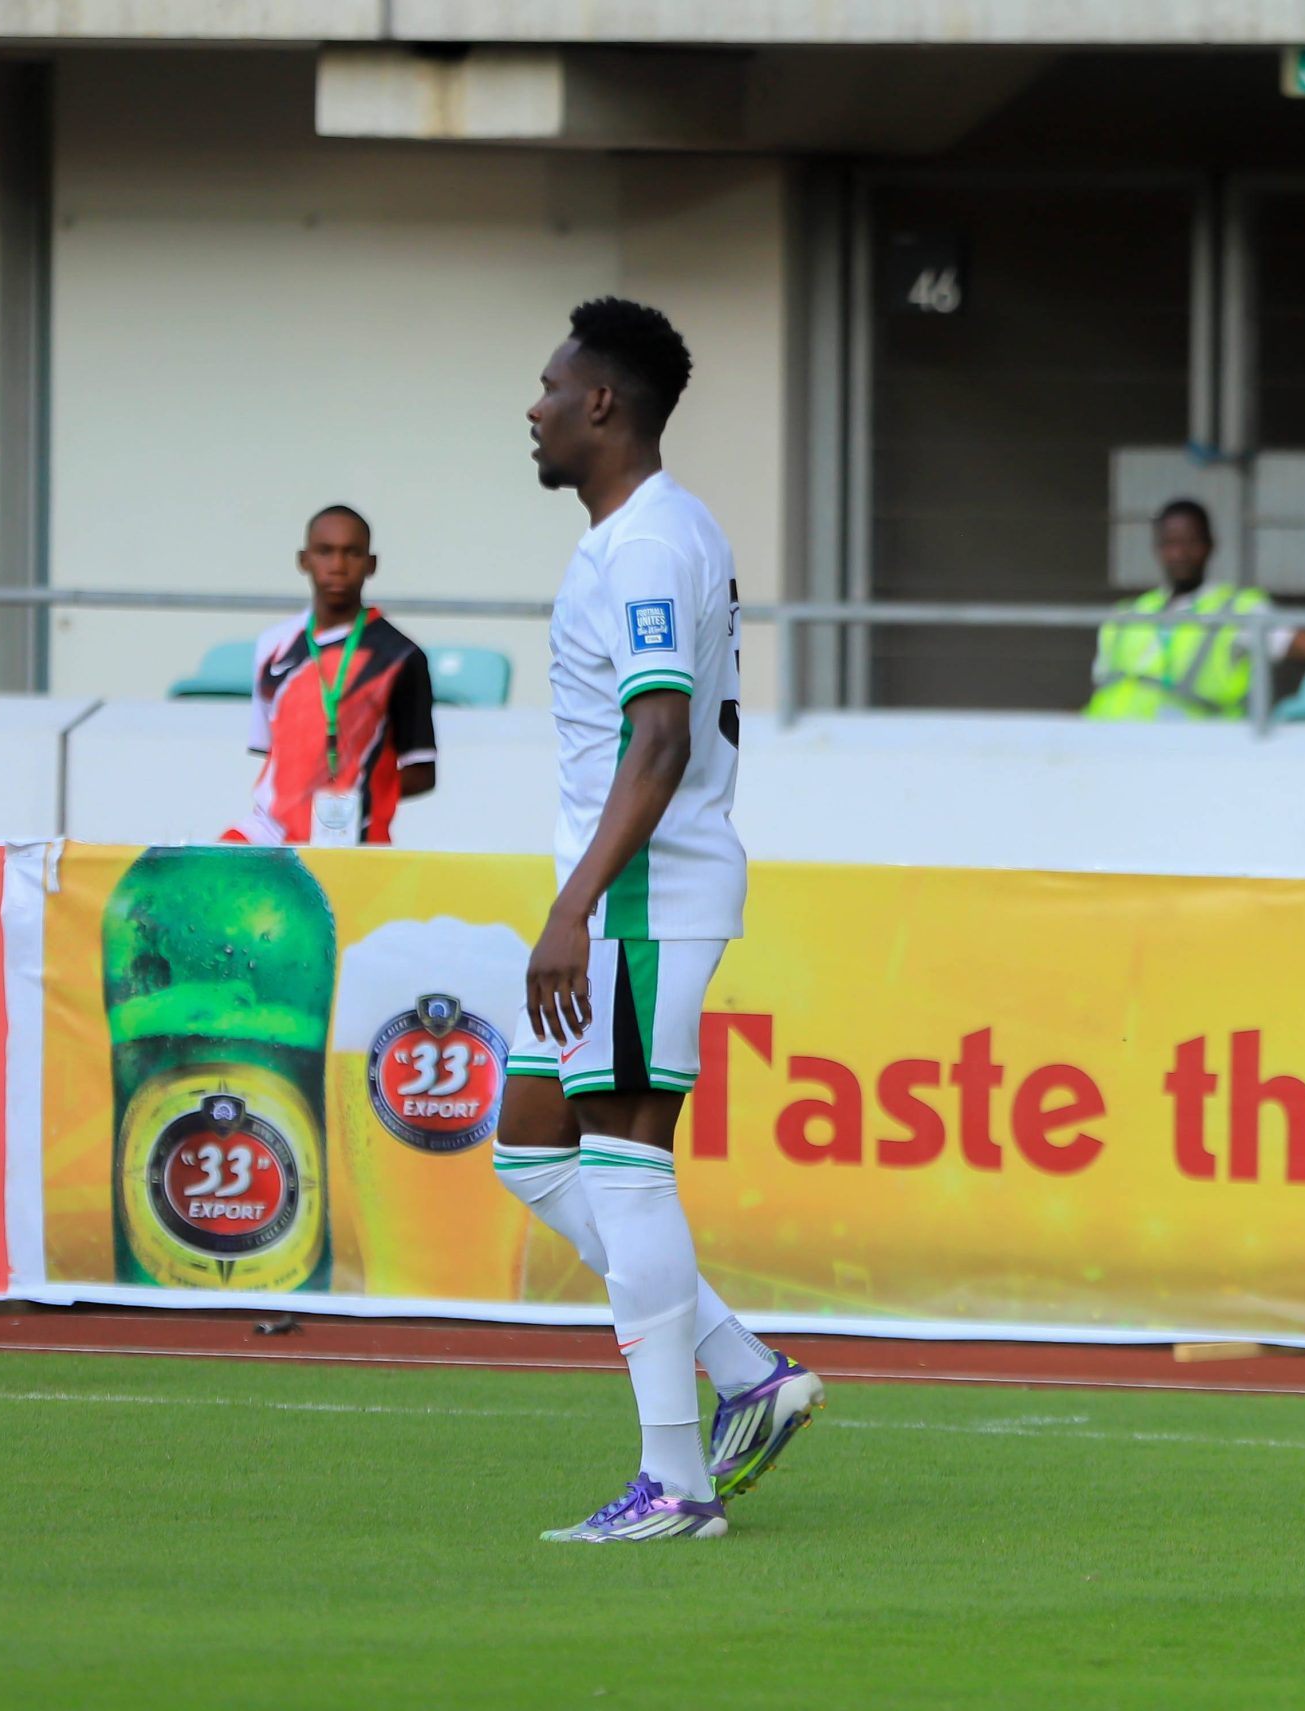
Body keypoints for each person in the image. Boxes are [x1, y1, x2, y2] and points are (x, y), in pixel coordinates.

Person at [492, 296, 821, 1544]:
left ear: (602, 404)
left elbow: (662, 733)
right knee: (531, 1144)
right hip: (617, 891)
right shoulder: (644, 535)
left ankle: (677, 1482)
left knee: (628, 1168)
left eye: (547, 384)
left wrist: (574, 905)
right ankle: (746, 1373)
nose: (531, 406)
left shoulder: (647, 545)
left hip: (636, 896)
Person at [1084, 498, 1305, 720]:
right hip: (1106, 747)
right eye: (1171, 543)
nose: (1180, 553)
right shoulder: (1125, 615)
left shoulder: (1239, 609)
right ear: (1157, 548)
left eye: (1190, 542)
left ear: (1209, 546)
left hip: (1190, 754)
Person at [223, 506, 436, 847]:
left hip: (354, 838)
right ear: (303, 560)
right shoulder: (272, 645)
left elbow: (422, 770)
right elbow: (271, 754)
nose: (337, 566)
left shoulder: (401, 656)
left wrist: (355, 796)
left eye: (351, 552)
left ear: (371, 564)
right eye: (325, 551)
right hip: (268, 833)